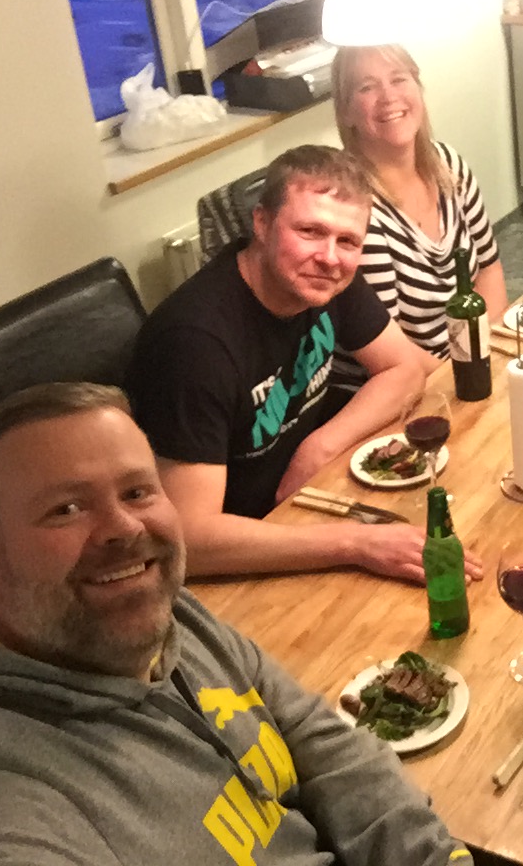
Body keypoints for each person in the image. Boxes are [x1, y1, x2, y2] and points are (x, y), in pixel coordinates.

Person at [0, 383, 472, 865]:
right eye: (66, 509)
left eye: (136, 491)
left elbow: (325, 746)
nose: (124, 528)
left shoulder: (168, 611)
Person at [126, 145, 482, 584]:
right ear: (261, 223)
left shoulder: (325, 279)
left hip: (309, 500)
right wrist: (355, 544)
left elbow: (404, 369)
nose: (330, 257)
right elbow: (188, 540)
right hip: (241, 553)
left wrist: (320, 447)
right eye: (310, 231)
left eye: (348, 241)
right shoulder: (193, 344)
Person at [331, 44, 507, 369]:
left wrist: (484, 359)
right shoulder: (354, 208)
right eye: (367, 87)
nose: (388, 96)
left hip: (465, 365)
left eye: (399, 79)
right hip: (402, 381)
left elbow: (489, 269)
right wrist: (466, 376)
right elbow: (393, 352)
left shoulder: (448, 164)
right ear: (346, 112)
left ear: (418, 87)